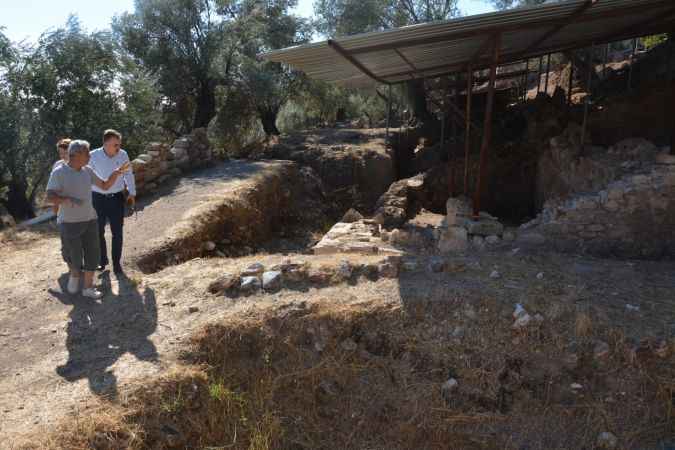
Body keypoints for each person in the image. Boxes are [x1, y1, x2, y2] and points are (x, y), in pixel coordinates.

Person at [46, 140, 130, 299]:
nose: (89, 156)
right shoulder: (59, 172)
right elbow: (50, 197)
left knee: (92, 254)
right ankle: (75, 275)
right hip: (68, 223)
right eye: (87, 153)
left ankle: (87, 288)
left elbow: (104, 186)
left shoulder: (87, 171)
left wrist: (116, 173)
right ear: (76, 155)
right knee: (72, 255)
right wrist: (66, 200)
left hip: (90, 220)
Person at [88, 129, 136, 274]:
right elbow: (87, 176)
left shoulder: (123, 155)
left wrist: (132, 192)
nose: (118, 147)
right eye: (115, 144)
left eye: (119, 144)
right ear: (105, 143)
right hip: (97, 198)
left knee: (117, 232)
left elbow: (128, 174)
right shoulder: (92, 156)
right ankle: (102, 261)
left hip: (116, 198)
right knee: (98, 231)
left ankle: (116, 264)